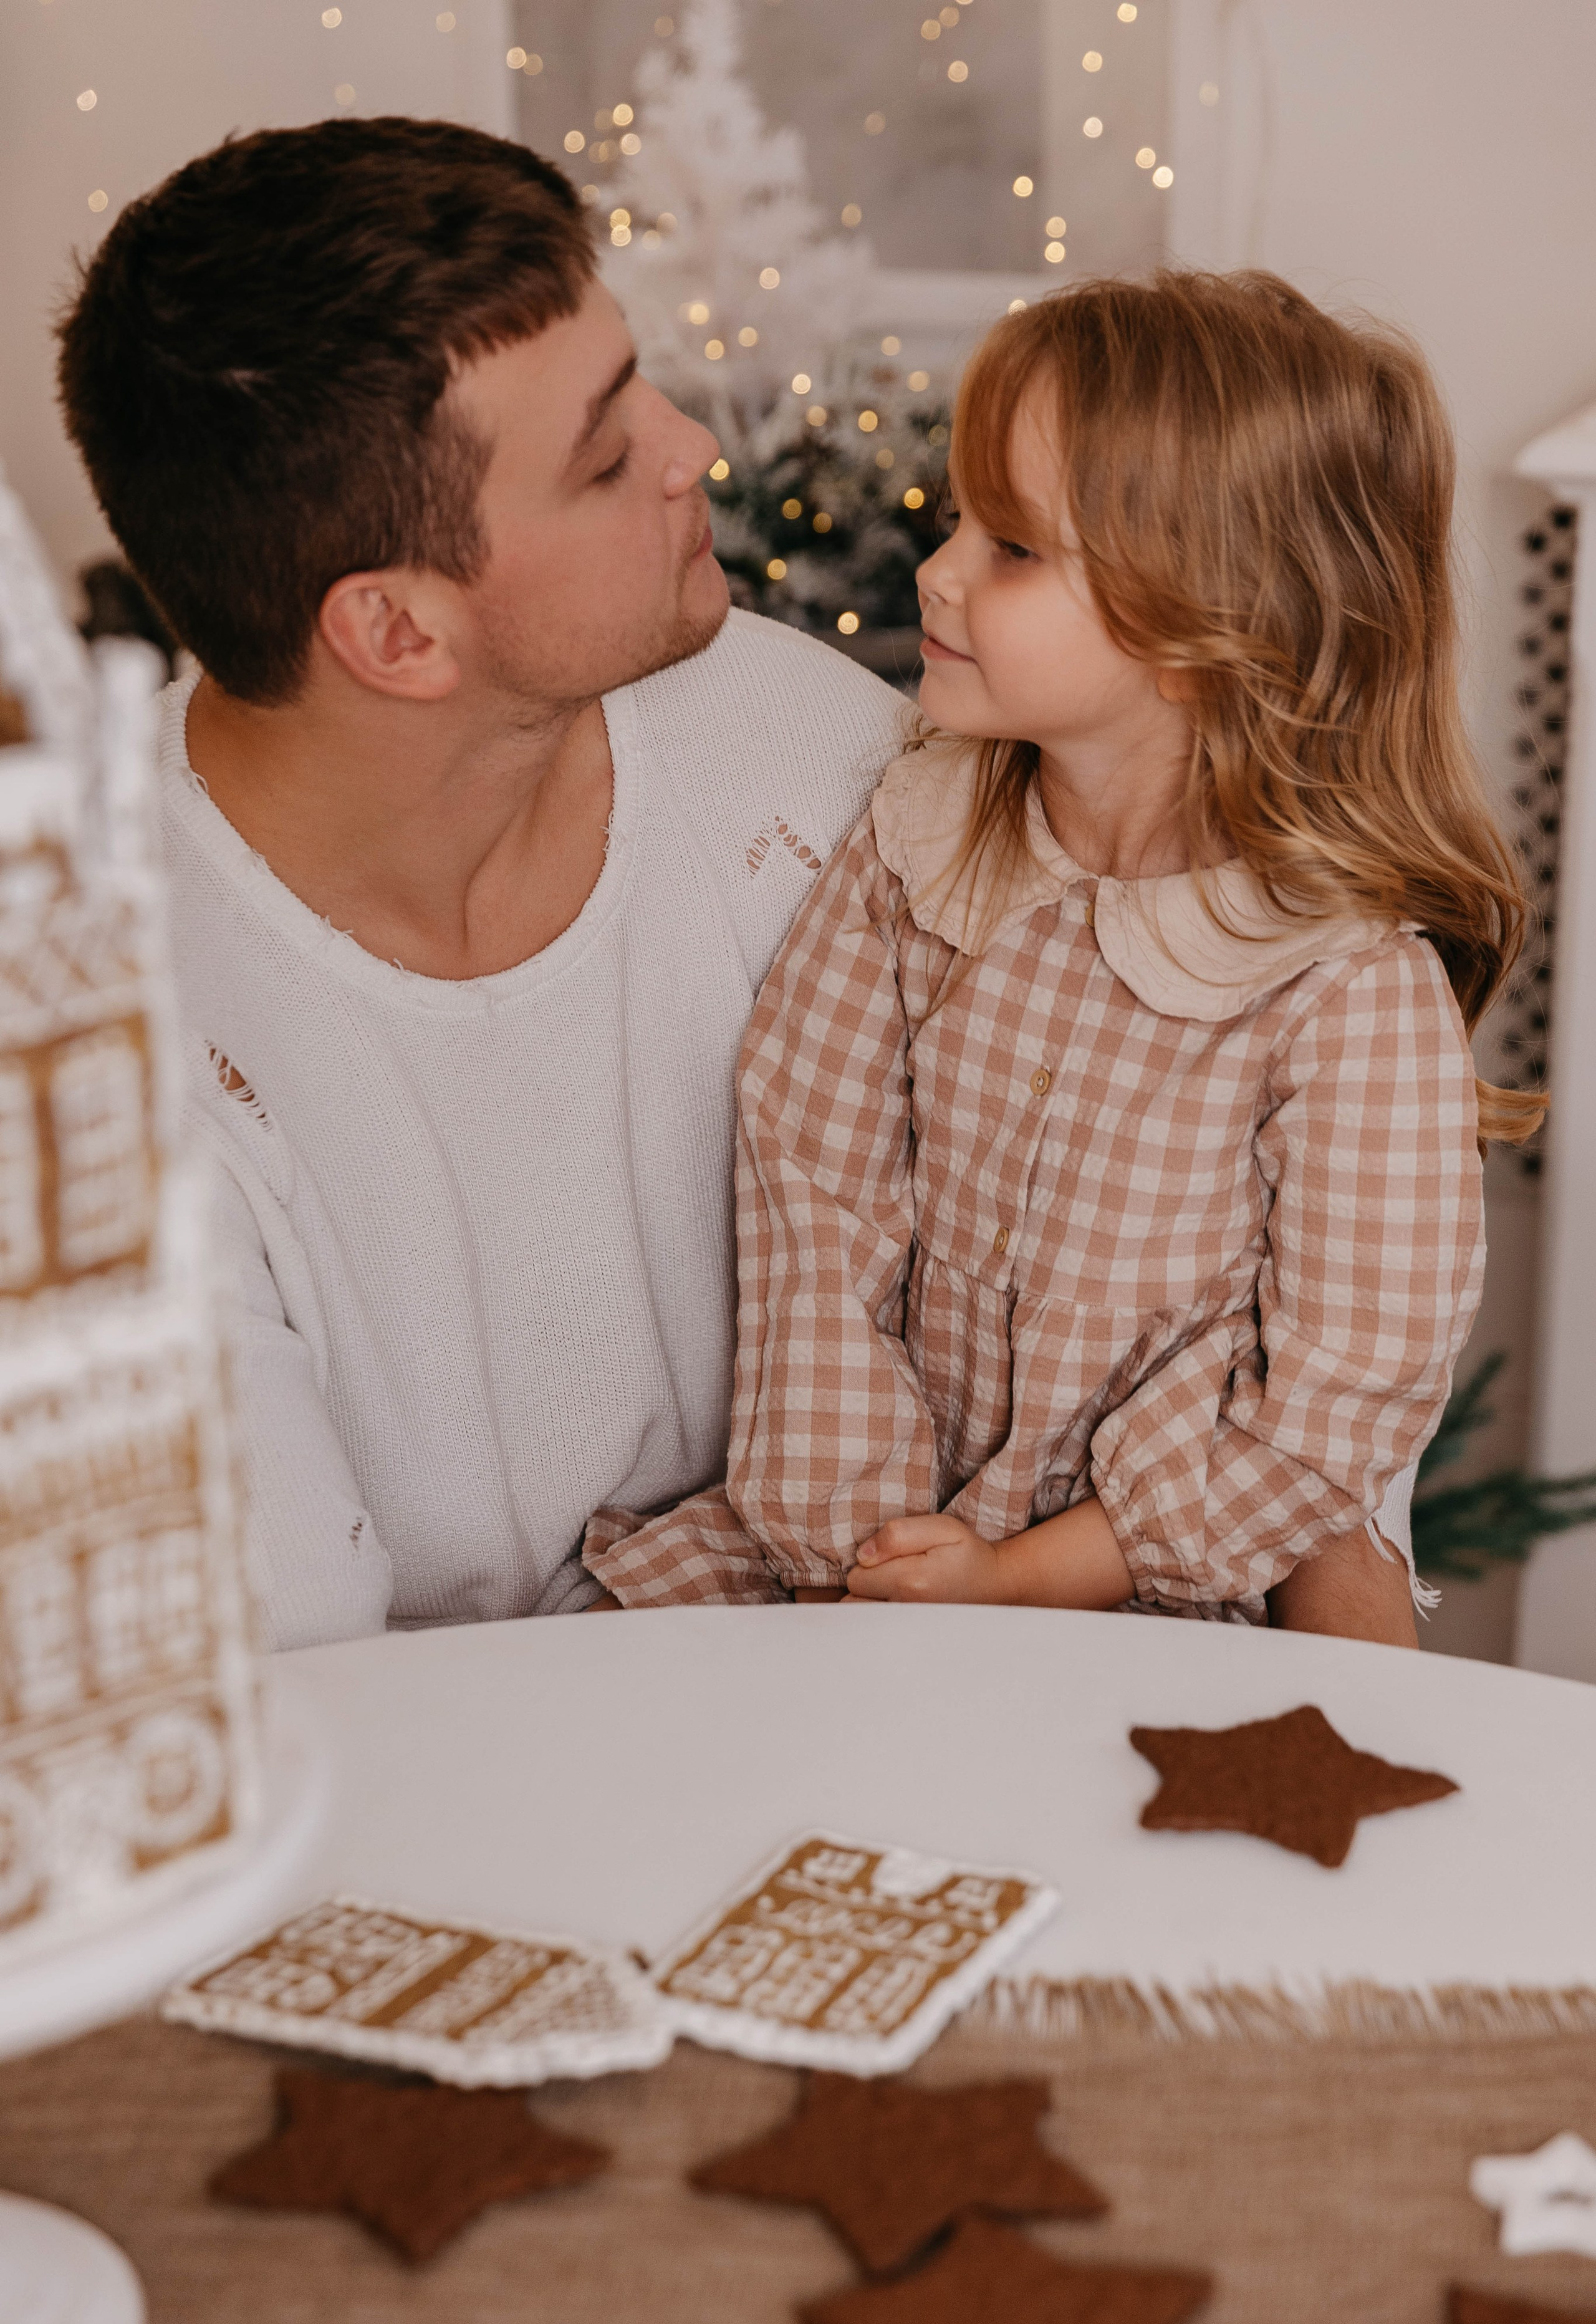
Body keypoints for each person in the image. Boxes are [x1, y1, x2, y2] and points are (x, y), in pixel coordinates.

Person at [55, 127, 1408, 1648]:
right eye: (602, 451)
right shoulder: (91, 1070)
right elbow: (287, 1700)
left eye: (638, 375)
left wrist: (1342, 1574)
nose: (692, 441)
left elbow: (1230, 1182)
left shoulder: (822, 757)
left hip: (943, 1665)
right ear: (396, 632)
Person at [585, 272, 1540, 1645]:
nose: (938, 570)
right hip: (853, 1562)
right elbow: (812, 1179)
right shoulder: (925, 831)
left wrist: (1018, 1578)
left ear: (1206, 631)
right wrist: (860, 1542)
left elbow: (1333, 1405)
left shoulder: (1343, 991)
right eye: (961, 517)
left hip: (1132, 1594)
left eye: (1014, 548)